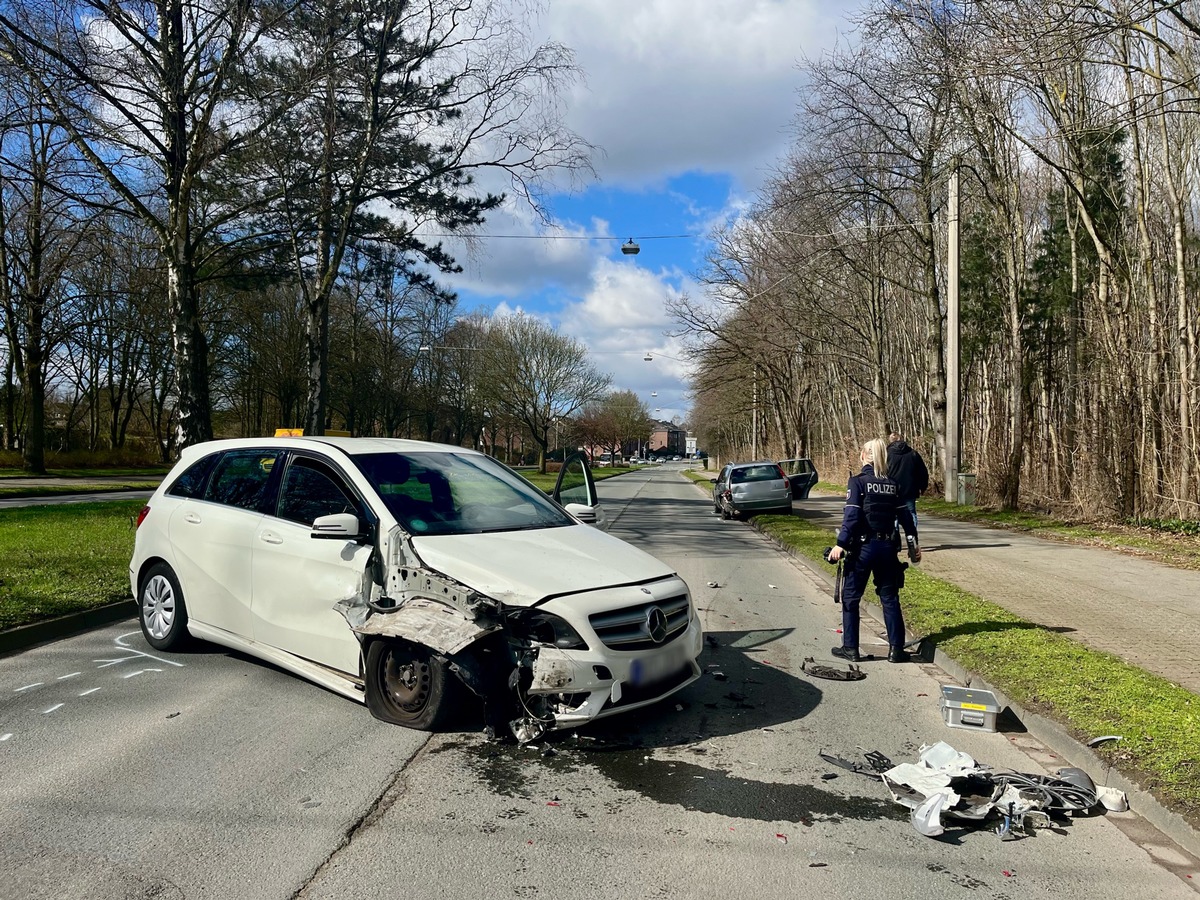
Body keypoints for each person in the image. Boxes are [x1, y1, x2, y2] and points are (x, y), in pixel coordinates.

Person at [827, 437, 921, 663]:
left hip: (863, 548)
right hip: (888, 549)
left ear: (862, 455)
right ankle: (896, 650)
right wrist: (913, 546)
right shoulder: (892, 485)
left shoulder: (857, 482)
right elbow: (907, 519)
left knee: (851, 598)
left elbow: (851, 516)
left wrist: (840, 544)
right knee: (889, 598)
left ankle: (851, 648)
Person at [886, 431, 929, 527]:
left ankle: (894, 538)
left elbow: (880, 471)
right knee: (911, 512)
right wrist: (923, 487)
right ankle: (912, 536)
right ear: (901, 439)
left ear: (890, 440)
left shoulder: (886, 454)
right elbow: (923, 472)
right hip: (910, 489)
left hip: (891, 490)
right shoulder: (913, 454)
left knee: (893, 515)